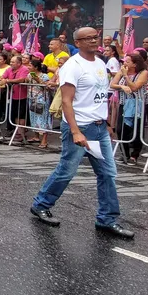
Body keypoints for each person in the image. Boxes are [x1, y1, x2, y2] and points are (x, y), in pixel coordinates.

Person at [29, 27, 134, 239]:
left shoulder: (100, 63)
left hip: (98, 128)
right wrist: (76, 131)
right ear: (77, 43)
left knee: (107, 173)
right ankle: (41, 204)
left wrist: (106, 124)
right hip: (79, 127)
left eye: (95, 37)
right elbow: (67, 101)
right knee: (67, 171)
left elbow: (99, 95)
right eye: (88, 39)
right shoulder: (72, 66)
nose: (94, 41)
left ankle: (107, 219)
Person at [110, 52, 148, 164]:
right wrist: (121, 86)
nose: (124, 63)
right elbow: (113, 84)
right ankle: (125, 154)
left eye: (127, 62)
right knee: (121, 129)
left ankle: (135, 154)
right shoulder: (121, 72)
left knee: (136, 130)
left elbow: (135, 87)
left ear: (135, 64)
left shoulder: (143, 73)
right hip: (124, 103)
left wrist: (126, 76)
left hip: (138, 104)